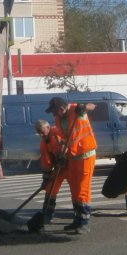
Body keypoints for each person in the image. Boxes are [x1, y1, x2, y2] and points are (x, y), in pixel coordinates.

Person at [46, 96, 97, 234]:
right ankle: (77, 220)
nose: (53, 114)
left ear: (62, 109)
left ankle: (84, 222)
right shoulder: (59, 119)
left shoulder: (76, 109)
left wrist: (84, 107)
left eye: (55, 111)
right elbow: (65, 138)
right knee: (75, 189)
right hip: (73, 157)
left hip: (86, 155)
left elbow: (93, 105)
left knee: (82, 189)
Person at [30, 119, 65, 232]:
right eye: (38, 132)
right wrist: (45, 180)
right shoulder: (43, 144)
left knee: (77, 191)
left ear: (48, 128)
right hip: (59, 168)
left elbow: (69, 143)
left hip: (72, 165)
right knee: (50, 190)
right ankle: (47, 216)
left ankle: (80, 217)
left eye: (41, 131)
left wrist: (64, 154)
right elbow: (46, 163)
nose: (40, 134)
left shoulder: (59, 133)